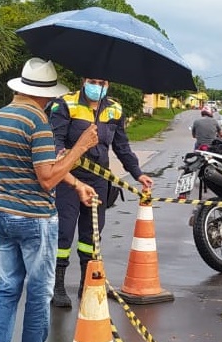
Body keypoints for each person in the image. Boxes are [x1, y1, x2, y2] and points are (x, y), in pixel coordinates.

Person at [0, 58, 99, 342]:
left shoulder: (4, 116)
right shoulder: (38, 122)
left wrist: (75, 183)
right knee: (39, 290)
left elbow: (35, 165)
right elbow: (46, 179)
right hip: (34, 218)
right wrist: (80, 147)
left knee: (7, 287)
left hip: (2, 213)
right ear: (44, 94)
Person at [48, 77, 153, 308]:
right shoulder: (66, 104)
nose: (97, 86)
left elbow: (122, 146)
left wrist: (137, 173)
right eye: (93, 81)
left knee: (92, 235)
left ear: (108, 84)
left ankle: (87, 284)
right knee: (64, 232)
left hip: (98, 179)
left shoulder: (114, 109)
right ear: (84, 81)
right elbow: (55, 140)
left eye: (102, 82)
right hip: (68, 178)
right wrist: (62, 153)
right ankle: (57, 286)